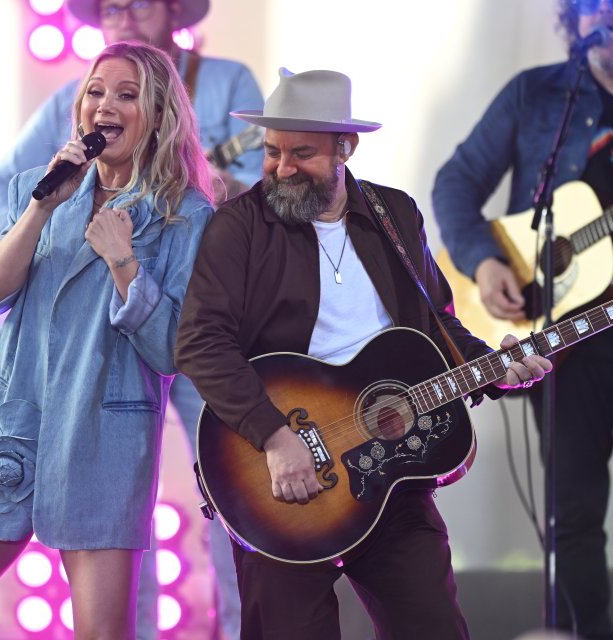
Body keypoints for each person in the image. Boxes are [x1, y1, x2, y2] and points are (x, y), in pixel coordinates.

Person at [175, 67, 553, 640]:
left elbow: (438, 327)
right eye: (273, 151)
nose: (280, 168)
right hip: (280, 478)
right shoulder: (240, 226)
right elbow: (200, 342)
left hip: (391, 474)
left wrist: (501, 369)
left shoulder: (393, 216)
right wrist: (276, 438)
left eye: (301, 153)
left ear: (344, 149)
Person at [431, 1, 613, 638]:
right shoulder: (537, 94)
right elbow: (455, 182)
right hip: (561, 342)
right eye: (586, 3)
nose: (601, 14)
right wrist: (484, 263)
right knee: (572, 513)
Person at [0, 2, 260, 637]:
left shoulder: (229, 82)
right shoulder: (78, 100)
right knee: (119, 493)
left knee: (237, 482)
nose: (120, 15)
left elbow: (257, 195)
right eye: (107, 7)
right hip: (101, 327)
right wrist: (27, 249)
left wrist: (202, 186)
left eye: (136, 3)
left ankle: (243, 628)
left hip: (200, 322)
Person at [0, 42, 213, 640]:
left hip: (104, 439)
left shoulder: (187, 214)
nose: (106, 104)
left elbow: (174, 352)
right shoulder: (39, 186)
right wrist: (40, 210)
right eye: (96, 91)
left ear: (158, 116)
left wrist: (124, 260)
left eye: (127, 95)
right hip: (7, 423)